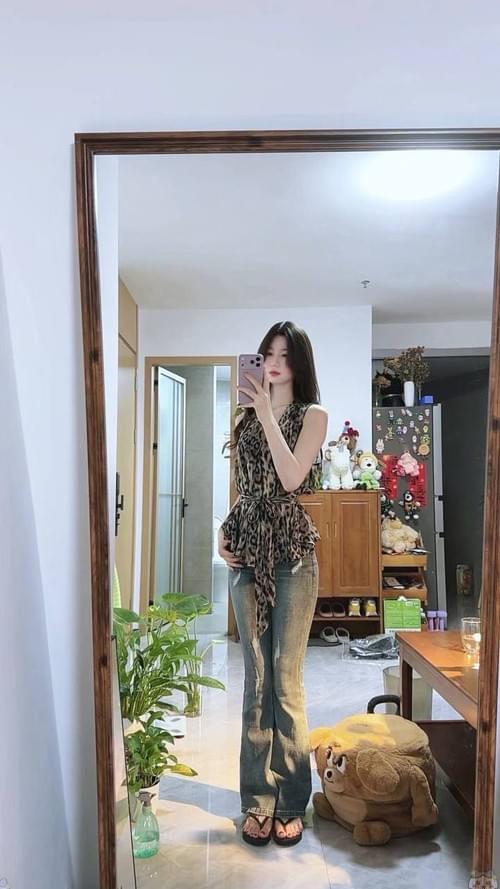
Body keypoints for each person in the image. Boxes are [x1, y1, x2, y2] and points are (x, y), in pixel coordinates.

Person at [218, 320, 328, 847]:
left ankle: (290, 801)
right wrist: (224, 532)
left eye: (285, 354)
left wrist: (265, 413)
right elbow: (244, 488)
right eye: (268, 353)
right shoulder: (244, 420)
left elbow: (290, 478)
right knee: (255, 680)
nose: (275, 362)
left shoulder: (312, 415)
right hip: (246, 554)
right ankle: (256, 801)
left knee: (285, 680)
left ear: (299, 363)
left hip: (293, 556)